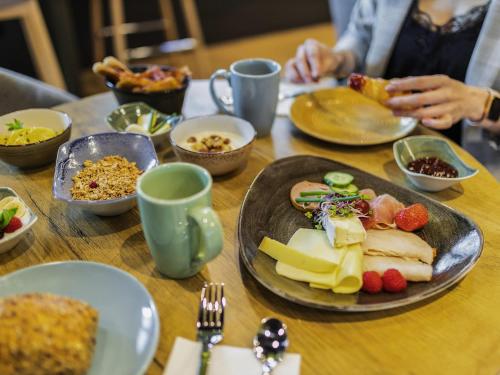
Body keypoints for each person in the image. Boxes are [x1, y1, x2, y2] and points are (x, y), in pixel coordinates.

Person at [285, 0, 500, 145]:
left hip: (465, 174)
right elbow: (361, 37)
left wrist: (482, 104)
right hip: (369, 141)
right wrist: (337, 59)